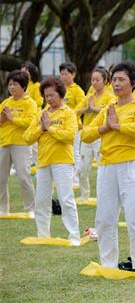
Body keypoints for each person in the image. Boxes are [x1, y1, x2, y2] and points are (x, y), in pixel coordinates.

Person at [81, 61, 135, 269]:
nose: (117, 84)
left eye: (122, 79)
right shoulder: (108, 109)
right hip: (107, 167)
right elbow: (85, 134)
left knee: (134, 218)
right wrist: (105, 128)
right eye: (114, 80)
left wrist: (118, 126)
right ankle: (108, 264)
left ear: (134, 82)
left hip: (132, 165)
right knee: (104, 219)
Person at [24, 76, 80, 245]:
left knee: (66, 199)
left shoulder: (69, 113)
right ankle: (43, 235)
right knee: (41, 201)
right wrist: (41, 128)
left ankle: (74, 236)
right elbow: (27, 137)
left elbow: (69, 136)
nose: (49, 99)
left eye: (52, 95)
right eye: (46, 96)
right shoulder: (41, 114)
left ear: (60, 94)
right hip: (43, 162)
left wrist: (50, 128)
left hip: (62, 161)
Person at [75, 67, 115, 201]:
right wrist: (87, 108)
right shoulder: (89, 97)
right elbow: (76, 110)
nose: (94, 82)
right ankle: (84, 196)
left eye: (98, 80)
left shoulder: (110, 96)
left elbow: (110, 112)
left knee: (101, 168)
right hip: (87, 136)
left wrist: (94, 109)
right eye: (92, 80)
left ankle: (102, 197)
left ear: (105, 81)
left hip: (100, 136)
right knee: (82, 170)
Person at [0, 70, 37, 216]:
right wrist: (3, 119)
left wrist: (12, 118)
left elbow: (30, 122)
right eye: (10, 84)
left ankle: (31, 208)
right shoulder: (5, 102)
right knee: (1, 178)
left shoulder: (30, 103)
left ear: (23, 86)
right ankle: (3, 209)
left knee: (23, 177)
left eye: (15, 84)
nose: (11, 87)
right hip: (4, 143)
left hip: (21, 143)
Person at [59, 62, 85, 187]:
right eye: (62, 74)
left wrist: (69, 114)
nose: (63, 77)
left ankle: (76, 178)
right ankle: (67, 176)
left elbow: (82, 106)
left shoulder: (77, 90)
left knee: (75, 151)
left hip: (74, 126)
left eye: (66, 74)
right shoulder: (59, 89)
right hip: (60, 127)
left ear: (73, 74)